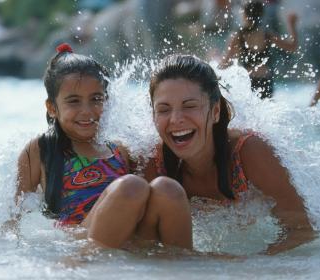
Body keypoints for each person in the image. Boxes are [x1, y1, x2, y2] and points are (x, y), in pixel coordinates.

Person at [12, 43, 192, 249]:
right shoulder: (40, 150)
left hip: (131, 240)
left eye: (96, 99)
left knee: (168, 188)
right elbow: (15, 219)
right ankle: (83, 261)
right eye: (74, 101)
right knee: (130, 186)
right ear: (52, 107)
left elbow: (154, 204)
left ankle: (183, 263)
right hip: (80, 242)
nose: (87, 111)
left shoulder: (121, 151)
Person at [147, 54, 315, 255]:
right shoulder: (154, 163)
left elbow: (302, 231)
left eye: (190, 106)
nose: (175, 119)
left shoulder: (250, 152)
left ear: (216, 110)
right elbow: (145, 246)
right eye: (164, 109)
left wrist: (243, 268)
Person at [220, 1, 298, 99]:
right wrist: (292, 25)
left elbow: (225, 64)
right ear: (261, 15)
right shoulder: (267, 35)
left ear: (244, 14)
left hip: (247, 82)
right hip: (266, 81)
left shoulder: (237, 37)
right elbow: (292, 47)